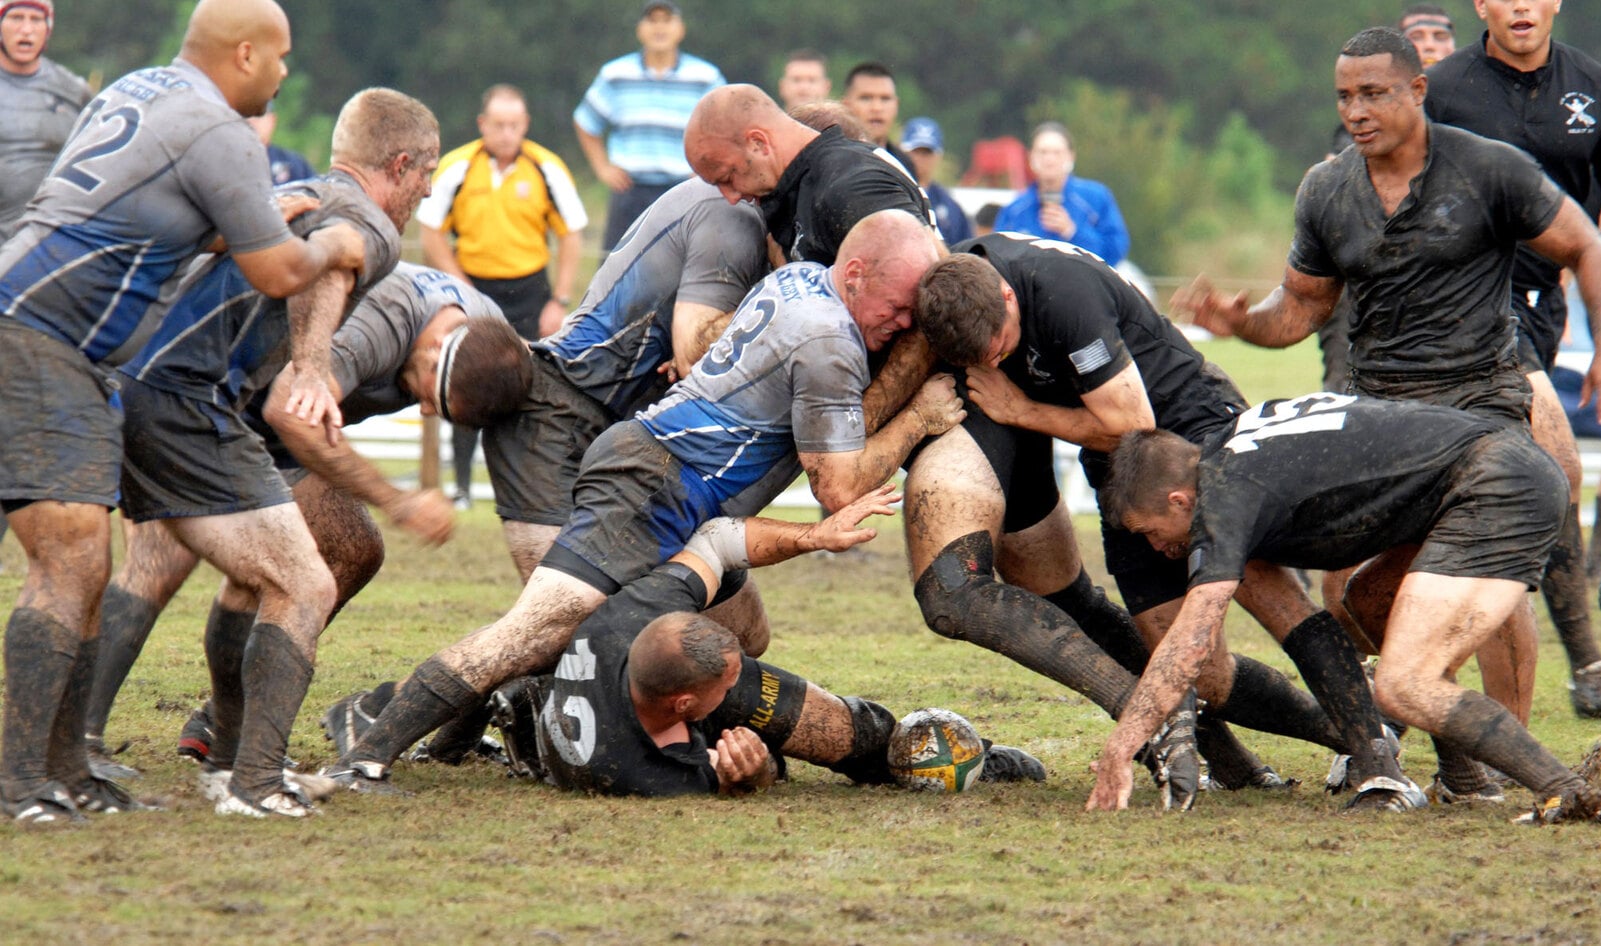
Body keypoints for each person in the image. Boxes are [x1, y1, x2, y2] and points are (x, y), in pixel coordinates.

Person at [321, 210, 959, 791]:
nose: (904, 325)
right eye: (900, 307)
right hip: (654, 482)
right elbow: (840, 488)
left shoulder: (802, 281)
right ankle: (366, 755)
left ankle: (524, 708)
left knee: (743, 633)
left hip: (682, 488)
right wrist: (919, 416)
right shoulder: (828, 340)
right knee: (534, 628)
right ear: (855, 273)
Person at [1173, 26, 1601, 800]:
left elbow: (1583, 243)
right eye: (1344, 96)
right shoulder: (1327, 189)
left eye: (1372, 93)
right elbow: (1300, 305)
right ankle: (1456, 751)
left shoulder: (1488, 169)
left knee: (1492, 592)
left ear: (1415, 90)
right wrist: (1242, 322)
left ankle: (1510, 758)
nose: (1357, 110)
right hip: (1380, 419)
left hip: (1479, 407)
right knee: (1357, 595)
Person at [0, 0, 372, 825]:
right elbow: (280, 272)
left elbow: (170, 222)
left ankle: (66, 771)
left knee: (87, 565)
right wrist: (330, 249)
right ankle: (20, 783)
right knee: (67, 561)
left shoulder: (141, 89)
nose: (281, 77)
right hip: (37, 336)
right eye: (278, 60)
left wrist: (266, 219)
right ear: (244, 54)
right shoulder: (221, 132)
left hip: (48, 331)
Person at [911, 236, 1417, 810]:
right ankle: (1347, 733)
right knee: (1196, 670)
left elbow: (1133, 422)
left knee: (1268, 594)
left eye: (999, 348)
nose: (992, 364)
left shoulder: (1060, 293)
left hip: (1192, 432)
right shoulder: (960, 284)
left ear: (1007, 295)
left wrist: (1020, 411)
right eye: (977, 361)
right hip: (1120, 469)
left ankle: (1378, 762)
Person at [107, 88, 441, 818]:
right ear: (400, 162)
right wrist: (316, 364)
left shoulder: (294, 191)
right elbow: (336, 265)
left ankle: (82, 757)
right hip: (187, 401)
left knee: (141, 568)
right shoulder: (371, 223)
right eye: (425, 176)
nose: (425, 192)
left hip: (133, 384)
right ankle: (253, 781)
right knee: (305, 583)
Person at [83, 263, 531, 778]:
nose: (427, 411)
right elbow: (289, 412)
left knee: (346, 548)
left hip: (260, 419)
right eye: (434, 397)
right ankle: (77, 740)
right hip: (195, 391)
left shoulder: (488, 335)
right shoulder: (381, 324)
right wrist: (397, 500)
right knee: (163, 559)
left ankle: (224, 725)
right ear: (434, 352)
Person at [1087, 395, 1600, 825]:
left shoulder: (1223, 497)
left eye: (1150, 532)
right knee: (1370, 600)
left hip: (1495, 486)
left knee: (1401, 685)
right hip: (1486, 469)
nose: (1157, 548)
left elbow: (1191, 641)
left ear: (1179, 501)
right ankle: (1467, 780)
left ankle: (1568, 792)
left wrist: (1121, 746)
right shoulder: (1230, 451)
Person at [1426, 0, 1601, 717]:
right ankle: (1584, 660)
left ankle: (1573, 661)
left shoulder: (1589, 85)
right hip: (1458, 302)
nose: (1520, 5)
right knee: (1549, 468)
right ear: (1481, 6)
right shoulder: (1442, 90)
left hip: (1542, 305)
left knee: (1532, 481)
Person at [418, 84, 588, 509]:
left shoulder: (547, 168)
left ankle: (527, 489)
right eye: (498, 124)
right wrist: (459, 286)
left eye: (514, 125)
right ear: (483, 125)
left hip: (530, 292)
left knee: (530, 387)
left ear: (525, 125)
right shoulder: (457, 167)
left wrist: (560, 300)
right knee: (462, 380)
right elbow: (431, 233)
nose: (507, 133)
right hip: (473, 289)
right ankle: (460, 487)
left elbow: (572, 235)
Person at [684, 84, 934, 266]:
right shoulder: (807, 184)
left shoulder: (848, 186)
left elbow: (928, 294)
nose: (730, 197)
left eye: (728, 177)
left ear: (758, 143)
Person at [574, 0, 724, 252]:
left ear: (681, 28)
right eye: (652, 21)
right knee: (617, 274)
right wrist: (602, 168)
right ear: (639, 29)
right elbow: (586, 121)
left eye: (667, 20)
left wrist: (707, 169)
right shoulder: (615, 75)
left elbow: (726, 129)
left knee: (681, 270)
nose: (659, 28)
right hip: (630, 191)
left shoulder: (705, 77)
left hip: (684, 189)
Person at [0, 0, 89, 236]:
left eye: (36, 19)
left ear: (48, 27)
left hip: (48, 243)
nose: (26, 29)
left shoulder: (73, 91)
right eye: (16, 17)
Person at [992, 122, 1130, 267]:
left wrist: (1073, 232)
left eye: (1057, 152)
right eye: (1043, 152)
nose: (1049, 160)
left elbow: (1115, 251)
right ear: (1030, 157)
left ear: (1071, 156)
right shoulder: (1016, 209)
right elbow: (998, 257)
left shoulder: (1096, 198)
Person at [902, 117, 972, 244]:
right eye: (915, 152)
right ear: (902, 152)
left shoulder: (950, 206)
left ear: (938, 156)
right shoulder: (891, 191)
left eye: (927, 153)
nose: (920, 159)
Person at [840, 61, 915, 178]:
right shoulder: (833, 158)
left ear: (896, 105)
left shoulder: (904, 164)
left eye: (885, 99)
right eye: (866, 98)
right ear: (846, 105)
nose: (877, 108)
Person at [246, 102, 316, 186]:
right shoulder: (229, 162)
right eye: (245, 116)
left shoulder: (294, 163)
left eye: (258, 115)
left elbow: (316, 193)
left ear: (272, 120)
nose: (251, 121)